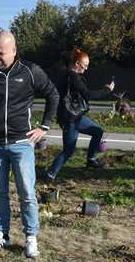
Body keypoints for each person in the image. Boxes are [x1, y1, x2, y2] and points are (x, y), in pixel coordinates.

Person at [0, 31, 59, 257]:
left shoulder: (30, 72)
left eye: (1, 53)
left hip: (21, 144)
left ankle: (31, 238)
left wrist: (44, 126)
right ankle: (1, 235)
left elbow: (53, 94)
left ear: (14, 51)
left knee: (27, 192)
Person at [46, 48, 115, 181]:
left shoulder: (67, 75)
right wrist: (107, 90)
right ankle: (50, 175)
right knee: (69, 151)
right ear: (77, 63)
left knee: (97, 131)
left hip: (77, 117)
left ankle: (91, 160)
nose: (86, 69)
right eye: (85, 65)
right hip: (71, 119)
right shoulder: (73, 77)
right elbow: (88, 95)